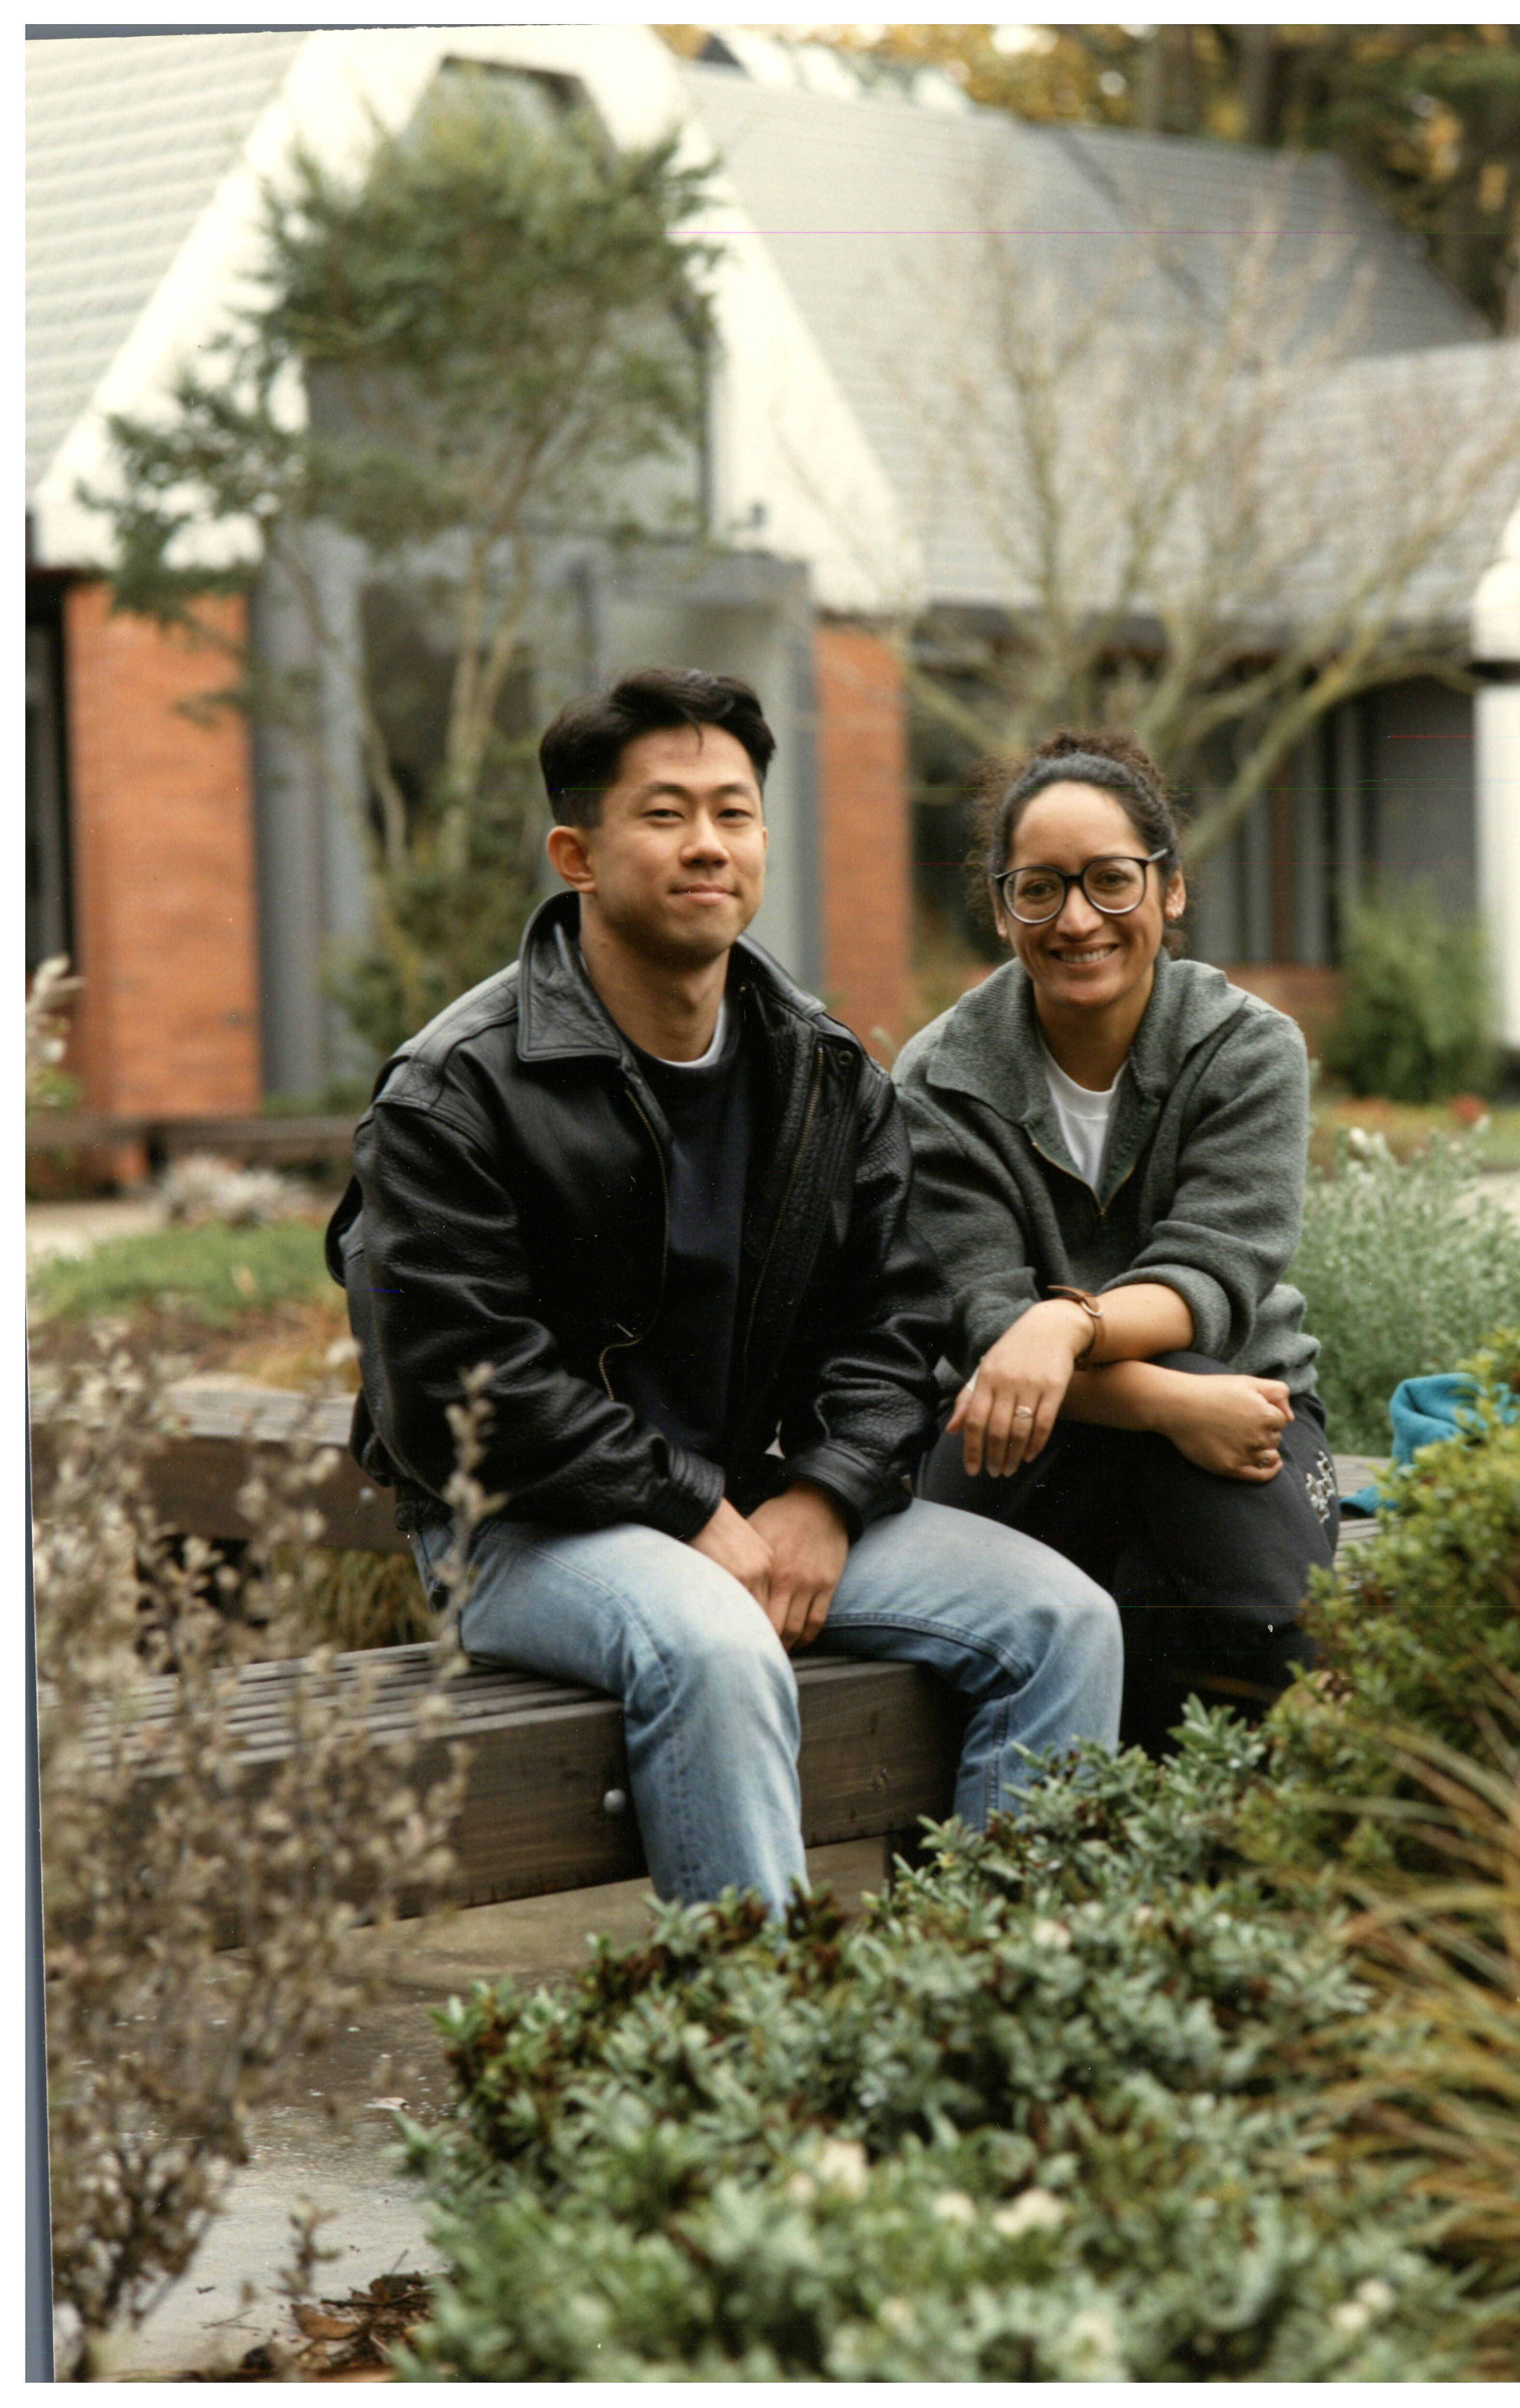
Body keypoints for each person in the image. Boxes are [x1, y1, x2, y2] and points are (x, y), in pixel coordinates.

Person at [325, 670, 1121, 1907]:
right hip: (526, 1531)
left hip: (752, 1508)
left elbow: (894, 1323)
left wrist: (829, 1493)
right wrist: (691, 1511)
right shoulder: (457, 1090)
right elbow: (458, 1388)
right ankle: (763, 2063)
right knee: (712, 1642)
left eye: (734, 812)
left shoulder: (818, 1069)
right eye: (665, 813)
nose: (708, 844)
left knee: (1062, 1622)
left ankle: (992, 2016)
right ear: (576, 853)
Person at [892, 730, 1338, 1747]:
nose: (1078, 919)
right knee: (990, 1651)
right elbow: (981, 1325)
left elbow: (1213, 1272)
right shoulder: (939, 1080)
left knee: (1256, 1630)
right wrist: (1165, 1401)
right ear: (1003, 907)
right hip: (1033, 1430)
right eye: (1040, 889)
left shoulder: (1243, 1046)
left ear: (1169, 890)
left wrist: (1067, 1329)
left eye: (1109, 881)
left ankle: (1242, 1877)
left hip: (1236, 1400)